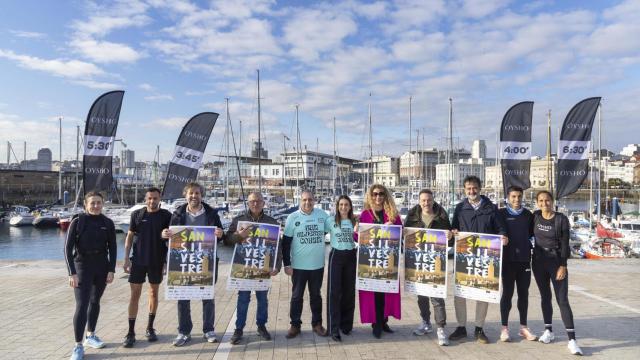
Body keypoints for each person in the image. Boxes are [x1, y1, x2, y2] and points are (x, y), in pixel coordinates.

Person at [161, 182, 224, 347]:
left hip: (206, 262)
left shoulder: (212, 214)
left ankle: (208, 329)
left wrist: (220, 233)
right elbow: (170, 236)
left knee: (207, 296)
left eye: (197, 193)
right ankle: (184, 331)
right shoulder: (177, 214)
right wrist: (164, 234)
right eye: (191, 193)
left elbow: (220, 236)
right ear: (185, 195)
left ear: (201, 195)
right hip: (183, 262)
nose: (194, 196)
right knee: (182, 298)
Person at [449, 175, 508, 344]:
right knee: (460, 293)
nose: (471, 191)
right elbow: (454, 229)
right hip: (464, 257)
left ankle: (479, 328)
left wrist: (503, 236)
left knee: (482, 292)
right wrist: (452, 233)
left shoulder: (491, 208)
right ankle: (461, 327)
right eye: (468, 188)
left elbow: (501, 228)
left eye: (474, 188)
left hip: (485, 258)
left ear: (480, 188)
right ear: (464, 190)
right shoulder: (460, 208)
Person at [64, 191, 117, 360]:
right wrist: (72, 273)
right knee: (82, 304)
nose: (96, 206)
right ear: (85, 205)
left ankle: (90, 335)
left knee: (95, 301)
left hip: (101, 266)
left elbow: (113, 248)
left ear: (103, 204)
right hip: (82, 266)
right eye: (92, 203)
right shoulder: (78, 222)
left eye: (99, 203)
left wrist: (111, 269)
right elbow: (67, 249)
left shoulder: (107, 223)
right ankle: (78, 345)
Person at [225, 192, 282, 345]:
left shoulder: (271, 222)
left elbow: (279, 247)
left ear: (263, 203)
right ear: (248, 203)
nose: (255, 204)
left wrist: (277, 266)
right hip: (244, 268)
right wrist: (238, 236)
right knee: (243, 299)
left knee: (263, 299)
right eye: (252, 201)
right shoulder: (239, 221)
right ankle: (238, 329)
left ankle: (261, 326)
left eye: (258, 201)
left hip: (263, 269)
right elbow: (227, 241)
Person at [532, 190, 582, 355]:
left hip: (556, 262)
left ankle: (572, 340)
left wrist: (563, 265)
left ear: (552, 201)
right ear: (537, 202)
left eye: (547, 200)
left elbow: (565, 244)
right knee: (545, 297)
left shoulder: (561, 219)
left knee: (562, 300)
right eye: (541, 200)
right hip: (538, 262)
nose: (544, 203)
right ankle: (548, 331)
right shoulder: (535, 216)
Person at [122, 187, 172, 347]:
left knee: (153, 293)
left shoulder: (166, 216)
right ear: (145, 199)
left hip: (156, 261)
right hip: (138, 261)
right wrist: (125, 259)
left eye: (155, 198)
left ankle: (150, 328)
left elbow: (171, 240)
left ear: (160, 199)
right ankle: (130, 332)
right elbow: (130, 236)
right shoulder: (137, 215)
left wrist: (166, 261)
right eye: (149, 198)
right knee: (134, 295)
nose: (152, 201)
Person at [403, 189, 452, 346]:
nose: (426, 203)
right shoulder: (411, 215)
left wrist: (450, 237)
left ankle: (441, 328)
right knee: (421, 296)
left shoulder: (442, 215)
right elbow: (405, 236)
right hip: (418, 262)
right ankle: (425, 322)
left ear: (433, 200)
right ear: (419, 201)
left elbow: (449, 241)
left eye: (429, 200)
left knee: (437, 297)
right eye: (423, 200)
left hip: (436, 262)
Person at [357, 184, 402, 339]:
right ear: (371, 195)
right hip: (371, 260)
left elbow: (400, 234)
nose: (378, 197)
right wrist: (356, 230)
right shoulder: (365, 214)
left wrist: (392, 227)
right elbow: (358, 237)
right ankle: (376, 324)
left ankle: (384, 321)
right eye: (375, 194)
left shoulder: (393, 215)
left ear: (385, 195)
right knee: (374, 293)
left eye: (381, 194)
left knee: (386, 292)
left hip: (388, 261)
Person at [282, 190, 329, 339]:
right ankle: (295, 325)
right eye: (304, 200)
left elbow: (335, 229)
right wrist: (286, 264)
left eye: (310, 199)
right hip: (298, 267)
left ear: (314, 200)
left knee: (316, 296)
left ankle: (317, 324)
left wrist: (353, 223)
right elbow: (286, 243)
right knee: (296, 297)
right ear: (299, 201)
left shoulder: (322, 215)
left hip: (317, 266)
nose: (307, 203)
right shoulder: (292, 217)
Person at [497, 186, 537, 342]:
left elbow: (534, 235)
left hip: (524, 261)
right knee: (507, 294)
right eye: (513, 196)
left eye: (519, 196)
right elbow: (492, 231)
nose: (517, 199)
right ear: (508, 197)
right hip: (507, 261)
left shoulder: (528, 215)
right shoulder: (500, 214)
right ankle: (504, 328)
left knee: (523, 294)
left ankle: (523, 327)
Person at [325, 195, 357, 342]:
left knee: (349, 292)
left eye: (346, 205)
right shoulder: (331, 221)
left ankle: (346, 326)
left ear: (350, 207)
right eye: (341, 205)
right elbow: (319, 233)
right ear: (338, 207)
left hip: (351, 256)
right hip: (336, 257)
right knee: (334, 293)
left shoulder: (355, 221)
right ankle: (334, 328)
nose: (343, 207)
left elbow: (362, 237)